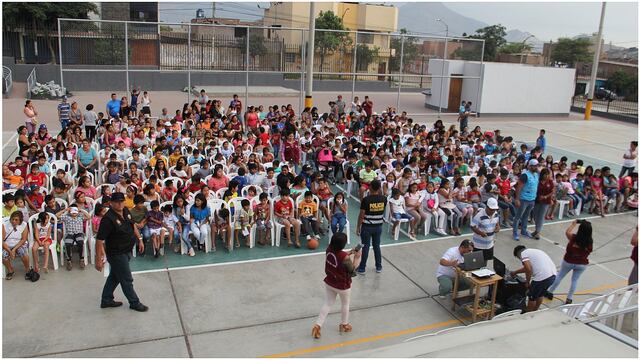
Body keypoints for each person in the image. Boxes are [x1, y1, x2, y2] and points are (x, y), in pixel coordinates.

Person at [95, 192, 148, 312]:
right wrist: (98, 259)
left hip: (127, 249)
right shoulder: (108, 219)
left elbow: (132, 225)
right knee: (126, 279)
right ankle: (134, 302)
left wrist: (140, 239)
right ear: (111, 203)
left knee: (115, 276)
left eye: (121, 201)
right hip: (116, 253)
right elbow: (99, 240)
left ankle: (106, 299)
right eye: (117, 202)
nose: (120, 204)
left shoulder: (126, 211)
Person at [311, 232, 361, 339]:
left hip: (330, 281)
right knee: (345, 304)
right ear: (343, 245)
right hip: (342, 285)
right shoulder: (345, 257)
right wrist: (357, 257)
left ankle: (318, 325)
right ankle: (344, 324)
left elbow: (339, 256)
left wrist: (349, 253)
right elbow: (352, 270)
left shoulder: (329, 249)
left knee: (328, 303)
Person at [545, 220, 593, 304]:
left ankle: (550, 292)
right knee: (575, 280)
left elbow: (567, 232)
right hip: (582, 263)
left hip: (568, 261)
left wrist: (573, 224)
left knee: (560, 276)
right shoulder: (589, 242)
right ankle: (569, 298)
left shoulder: (573, 238)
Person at [511, 245, 557, 312]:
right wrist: (515, 272)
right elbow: (527, 268)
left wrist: (527, 282)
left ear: (518, 254)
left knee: (531, 296)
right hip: (552, 276)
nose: (521, 260)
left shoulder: (523, 254)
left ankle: (528, 314)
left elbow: (528, 269)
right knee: (540, 294)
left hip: (542, 277)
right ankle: (535, 311)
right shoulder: (534, 251)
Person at [356, 179, 386, 274]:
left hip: (367, 227)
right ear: (379, 188)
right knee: (376, 246)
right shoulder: (384, 199)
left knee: (365, 247)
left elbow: (361, 215)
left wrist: (358, 227)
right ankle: (378, 266)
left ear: (370, 187)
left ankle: (362, 268)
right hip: (378, 227)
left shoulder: (366, 200)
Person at [513, 159, 540, 241]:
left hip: (532, 199)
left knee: (526, 216)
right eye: (534, 166)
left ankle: (524, 231)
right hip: (523, 199)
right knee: (518, 216)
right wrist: (517, 199)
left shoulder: (536, 175)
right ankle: (515, 233)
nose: (536, 167)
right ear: (530, 166)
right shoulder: (525, 175)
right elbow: (519, 187)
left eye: (537, 165)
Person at [470, 198, 501, 262]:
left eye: (494, 209)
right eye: (491, 209)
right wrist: (480, 233)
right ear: (487, 207)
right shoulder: (479, 215)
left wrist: (498, 227)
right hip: (478, 245)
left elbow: (497, 223)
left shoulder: (496, 214)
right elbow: (472, 226)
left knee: (485, 263)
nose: (493, 211)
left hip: (490, 244)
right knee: (477, 263)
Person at [2, 211, 31, 280]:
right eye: (12, 219)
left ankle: (27, 269)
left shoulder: (24, 225)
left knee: (23, 253)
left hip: (19, 243)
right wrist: (9, 251)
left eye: (16, 220)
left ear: (20, 220)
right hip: (7, 244)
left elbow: (23, 239)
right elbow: (2, 240)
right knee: (3, 255)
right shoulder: (4, 225)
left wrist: (14, 249)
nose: (14, 221)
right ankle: (10, 270)